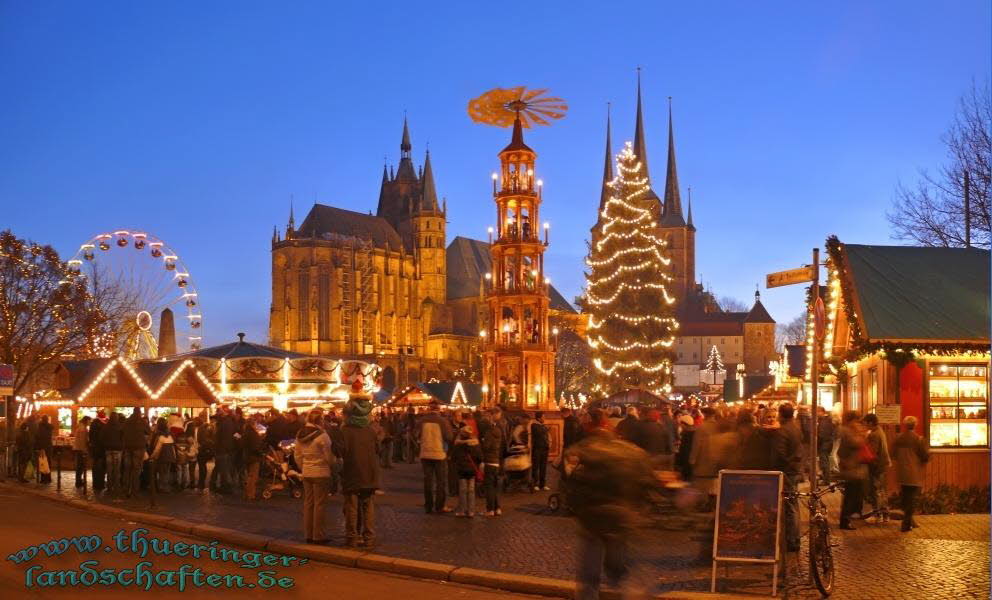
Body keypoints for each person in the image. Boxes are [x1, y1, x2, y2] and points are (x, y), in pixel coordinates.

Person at [565, 408, 657, 600]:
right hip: (623, 516)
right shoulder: (631, 452)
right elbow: (647, 482)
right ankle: (632, 592)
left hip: (592, 518)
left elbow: (572, 484)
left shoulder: (586, 451)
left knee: (589, 574)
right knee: (617, 567)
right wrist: (639, 509)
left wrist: (577, 509)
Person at [340, 382, 380, 547]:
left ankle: (352, 537)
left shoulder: (345, 431)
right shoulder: (371, 430)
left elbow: (342, 452)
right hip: (369, 473)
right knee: (368, 506)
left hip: (351, 473)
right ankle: (369, 537)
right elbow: (378, 450)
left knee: (351, 506)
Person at [294, 409, 334, 544]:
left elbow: (297, 455)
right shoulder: (323, 436)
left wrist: (303, 467)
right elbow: (328, 457)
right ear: (320, 421)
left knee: (308, 504)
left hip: (307, 472)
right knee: (319, 505)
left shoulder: (299, 434)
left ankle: (308, 534)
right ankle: (318, 535)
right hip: (321, 472)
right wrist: (333, 465)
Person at [773, 403, 803, 552]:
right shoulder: (796, 427)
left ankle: (792, 540)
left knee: (789, 507)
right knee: (793, 505)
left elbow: (780, 454)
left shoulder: (784, 430)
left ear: (781, 414)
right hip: (795, 470)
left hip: (787, 471)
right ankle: (795, 537)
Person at [892, 416, 928, 532]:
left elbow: (893, 454)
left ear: (905, 425)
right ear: (915, 425)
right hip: (914, 472)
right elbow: (924, 456)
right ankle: (906, 523)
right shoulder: (918, 439)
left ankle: (910, 521)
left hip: (902, 472)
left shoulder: (898, 438)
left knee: (906, 496)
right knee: (912, 498)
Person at [417, 400, 454, 514]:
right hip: (439, 454)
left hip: (425, 453)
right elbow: (449, 437)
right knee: (440, 481)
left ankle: (428, 506)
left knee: (428, 481)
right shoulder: (443, 421)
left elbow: (416, 435)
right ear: (438, 409)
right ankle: (439, 506)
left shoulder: (422, 421)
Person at [837, 411, 867, 530]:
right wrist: (863, 435)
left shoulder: (848, 430)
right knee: (851, 495)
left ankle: (847, 518)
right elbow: (856, 443)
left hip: (853, 468)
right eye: (857, 420)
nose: (858, 422)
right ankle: (845, 520)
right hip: (851, 468)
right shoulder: (847, 431)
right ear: (852, 420)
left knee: (852, 494)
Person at [863, 413, 891, 520]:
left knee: (877, 490)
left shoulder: (874, 434)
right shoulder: (880, 431)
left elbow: (872, 452)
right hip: (882, 464)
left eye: (866, 423)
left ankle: (879, 513)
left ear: (870, 423)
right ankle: (884, 513)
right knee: (881, 490)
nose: (865, 425)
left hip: (876, 465)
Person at [451, 424, 483, 517]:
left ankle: (462, 510)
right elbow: (480, 457)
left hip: (462, 470)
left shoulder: (458, 444)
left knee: (462, 490)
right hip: (472, 470)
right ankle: (471, 511)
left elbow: (453, 457)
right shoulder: (475, 444)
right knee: (471, 491)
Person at [480, 411, 504, 516]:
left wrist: (483, 440)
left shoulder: (489, 432)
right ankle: (497, 508)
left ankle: (490, 509)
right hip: (496, 461)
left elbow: (486, 447)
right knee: (494, 486)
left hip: (489, 461)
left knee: (489, 487)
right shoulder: (498, 431)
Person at [122, 408, 148, 497]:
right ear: (139, 413)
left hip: (128, 447)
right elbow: (148, 431)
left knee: (127, 469)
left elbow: (122, 431)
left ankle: (126, 490)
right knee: (136, 470)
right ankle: (135, 491)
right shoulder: (142, 421)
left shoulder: (127, 421)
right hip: (139, 448)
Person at [149, 418, 176, 493]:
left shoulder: (159, 436)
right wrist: (174, 457)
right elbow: (173, 447)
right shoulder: (170, 435)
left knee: (161, 473)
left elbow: (157, 449)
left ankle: (162, 487)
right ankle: (165, 486)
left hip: (162, 458)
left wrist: (152, 456)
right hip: (170, 457)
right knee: (166, 472)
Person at [241, 416, 265, 501]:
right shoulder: (253, 433)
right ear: (252, 424)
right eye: (255, 423)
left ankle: (248, 493)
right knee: (253, 477)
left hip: (247, 456)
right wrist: (261, 453)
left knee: (249, 476)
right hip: (254, 457)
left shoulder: (246, 432)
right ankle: (250, 495)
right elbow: (255, 447)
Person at [102, 412, 124, 493]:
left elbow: (101, 437)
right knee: (117, 469)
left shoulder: (105, 426)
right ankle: (116, 486)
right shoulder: (120, 426)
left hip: (108, 449)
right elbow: (123, 438)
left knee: (109, 469)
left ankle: (109, 487)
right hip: (118, 450)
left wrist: (105, 445)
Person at [531, 411, 551, 491]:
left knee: (543, 467)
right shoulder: (534, 425)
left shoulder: (543, 426)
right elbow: (539, 433)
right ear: (539, 418)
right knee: (536, 467)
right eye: (543, 417)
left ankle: (542, 484)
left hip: (544, 448)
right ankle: (535, 483)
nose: (544, 418)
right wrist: (546, 429)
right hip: (537, 449)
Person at [816, 406, 835, 485]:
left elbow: (822, 434)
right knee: (825, 461)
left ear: (822, 412)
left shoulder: (824, 421)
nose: (816, 414)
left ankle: (826, 480)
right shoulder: (827, 420)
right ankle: (826, 479)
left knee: (824, 462)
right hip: (827, 443)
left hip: (825, 444)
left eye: (817, 412)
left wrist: (818, 443)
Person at [674, 414, 695, 481]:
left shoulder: (686, 435)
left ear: (684, 424)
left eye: (681, 424)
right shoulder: (695, 433)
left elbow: (684, 451)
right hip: (691, 464)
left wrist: (679, 463)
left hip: (687, 463)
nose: (680, 426)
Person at [72, 416, 91, 487]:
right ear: (86, 420)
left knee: (79, 467)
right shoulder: (83, 429)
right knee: (80, 467)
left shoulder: (80, 427)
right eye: (89, 421)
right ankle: (78, 482)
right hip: (81, 449)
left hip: (78, 449)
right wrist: (84, 450)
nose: (90, 422)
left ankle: (78, 481)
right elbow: (83, 441)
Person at [35, 415, 54, 484]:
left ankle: (43, 478)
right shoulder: (50, 427)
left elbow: (38, 437)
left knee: (42, 463)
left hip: (42, 447)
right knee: (48, 462)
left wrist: (37, 447)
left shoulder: (39, 427)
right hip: (48, 447)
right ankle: (48, 478)